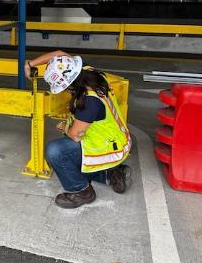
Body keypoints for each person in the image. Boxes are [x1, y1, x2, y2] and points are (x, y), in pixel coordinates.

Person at [25, 50, 132, 209]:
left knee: (56, 151)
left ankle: (82, 191)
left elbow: (75, 135)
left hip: (106, 147)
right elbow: (59, 54)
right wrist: (30, 64)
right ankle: (110, 174)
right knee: (73, 161)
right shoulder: (89, 73)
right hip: (116, 140)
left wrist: (63, 127)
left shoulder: (89, 101)